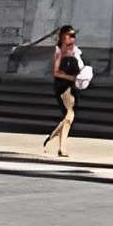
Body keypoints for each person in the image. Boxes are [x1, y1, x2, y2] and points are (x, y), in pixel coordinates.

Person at [42, 24, 88, 159]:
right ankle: (61, 147)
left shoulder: (76, 51)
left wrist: (82, 75)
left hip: (73, 86)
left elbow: (80, 66)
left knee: (68, 118)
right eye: (70, 35)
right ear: (63, 37)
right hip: (62, 86)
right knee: (69, 116)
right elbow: (56, 72)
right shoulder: (59, 51)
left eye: (74, 36)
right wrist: (71, 77)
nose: (72, 38)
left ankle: (53, 140)